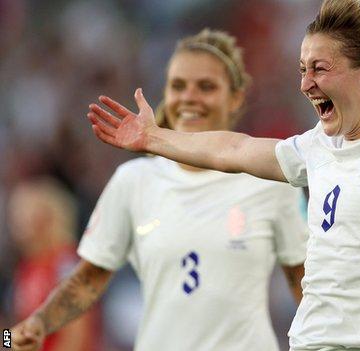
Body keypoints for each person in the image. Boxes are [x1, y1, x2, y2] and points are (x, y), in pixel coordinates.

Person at [86, 0, 360, 348]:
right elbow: (235, 148)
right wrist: (155, 138)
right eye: (302, 69)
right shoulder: (318, 147)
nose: (305, 83)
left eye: (319, 68)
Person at [11, 28, 309, 351]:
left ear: (236, 98)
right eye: (178, 86)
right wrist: (33, 326)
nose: (190, 97)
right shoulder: (133, 180)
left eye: (206, 86)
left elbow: (304, 282)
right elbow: (87, 282)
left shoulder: (270, 182)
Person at [8, 177, 101, 351]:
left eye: (26, 214)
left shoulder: (64, 262)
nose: (18, 224)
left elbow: (77, 331)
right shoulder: (27, 267)